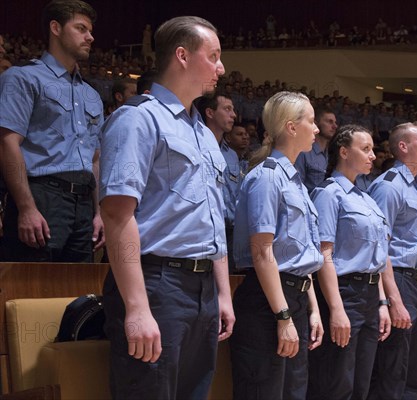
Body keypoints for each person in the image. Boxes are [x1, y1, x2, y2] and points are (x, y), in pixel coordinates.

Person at [99, 16, 234, 399]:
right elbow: (116, 215)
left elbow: (212, 221)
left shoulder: (203, 133)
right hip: (157, 283)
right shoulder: (138, 119)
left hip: (203, 288)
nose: (221, 68)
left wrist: (222, 294)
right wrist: (137, 307)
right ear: (182, 56)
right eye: (214, 56)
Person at [230, 91, 324, 400]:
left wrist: (311, 309)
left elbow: (303, 256)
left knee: (293, 393)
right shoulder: (267, 177)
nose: (317, 129)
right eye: (311, 121)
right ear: (291, 127)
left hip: (292, 298)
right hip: (268, 303)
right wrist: (283, 316)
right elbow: (262, 252)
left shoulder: (296, 182)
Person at [0, 0, 104, 262]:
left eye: (90, 30)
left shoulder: (91, 94)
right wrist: (26, 207)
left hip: (84, 203)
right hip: (42, 195)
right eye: (81, 28)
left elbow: (94, 159)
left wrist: (99, 212)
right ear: (55, 28)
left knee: (80, 296)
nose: (90, 37)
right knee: (31, 291)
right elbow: (7, 143)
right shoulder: (22, 77)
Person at [307, 125, 391, 400]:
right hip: (344, 293)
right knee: (336, 382)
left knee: (361, 384)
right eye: (365, 149)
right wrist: (336, 309)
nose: (372, 155)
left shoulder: (366, 199)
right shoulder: (329, 194)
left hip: (368, 294)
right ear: (343, 151)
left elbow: (375, 259)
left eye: (373, 149)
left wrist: (381, 303)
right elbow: (324, 255)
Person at [367, 122, 417, 400]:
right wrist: (393, 300)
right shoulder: (389, 187)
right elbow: (379, 248)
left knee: (415, 369)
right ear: (403, 147)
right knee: (393, 367)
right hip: (398, 280)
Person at [295, 107, 338, 193]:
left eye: (335, 122)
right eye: (329, 122)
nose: (335, 126)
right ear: (316, 123)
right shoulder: (303, 152)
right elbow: (297, 187)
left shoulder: (332, 153)